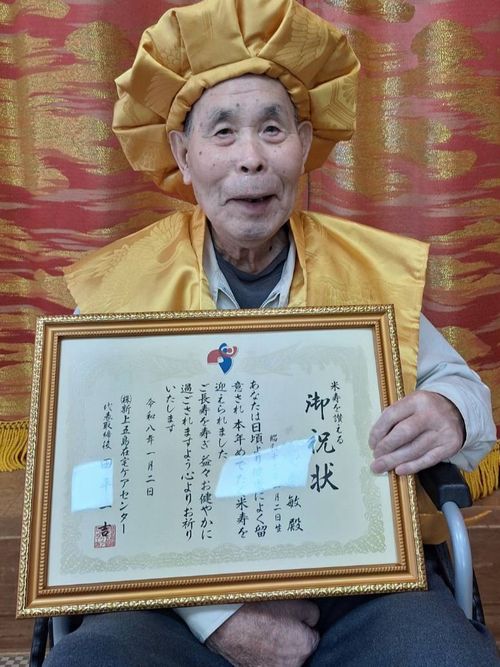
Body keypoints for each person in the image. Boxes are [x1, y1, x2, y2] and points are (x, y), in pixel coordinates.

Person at [46, 0, 499, 665]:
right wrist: (215, 615)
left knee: (443, 655)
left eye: (271, 129)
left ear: (304, 145)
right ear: (183, 154)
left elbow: (465, 391)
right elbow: (79, 488)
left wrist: (447, 411)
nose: (251, 159)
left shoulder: (365, 273)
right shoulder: (121, 293)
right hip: (172, 598)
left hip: (357, 587)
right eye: (223, 132)